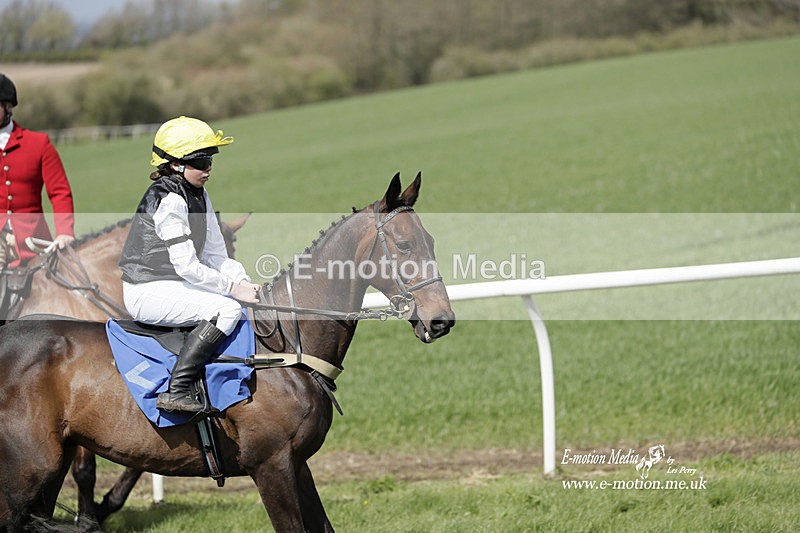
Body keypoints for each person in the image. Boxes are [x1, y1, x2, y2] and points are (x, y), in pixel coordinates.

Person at [119, 116, 260, 415]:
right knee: (227, 309)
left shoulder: (199, 193)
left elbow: (215, 254)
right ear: (175, 164)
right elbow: (188, 267)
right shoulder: (170, 201)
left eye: (211, 160)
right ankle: (178, 389)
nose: (208, 169)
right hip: (146, 289)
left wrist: (243, 281)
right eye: (200, 161)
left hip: (173, 283)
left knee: (235, 300)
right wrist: (233, 290)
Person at [0, 73, 75, 272]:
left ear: (8, 107)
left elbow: (60, 192)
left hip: (34, 245)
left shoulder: (38, 144)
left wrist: (64, 231)